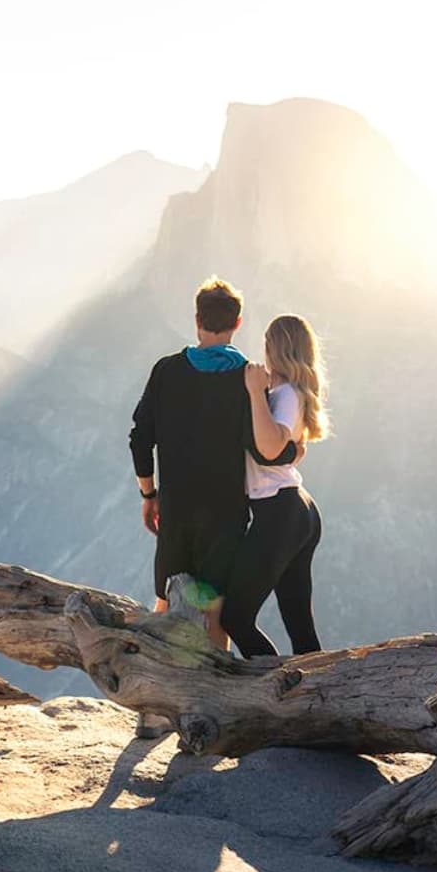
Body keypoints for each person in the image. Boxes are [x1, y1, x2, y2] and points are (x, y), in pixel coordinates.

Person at [128, 276, 298, 643]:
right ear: (238, 323)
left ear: (197, 319)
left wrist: (149, 495)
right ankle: (213, 695)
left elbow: (140, 438)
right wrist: (293, 450)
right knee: (214, 616)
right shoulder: (248, 379)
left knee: (165, 602)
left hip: (175, 512)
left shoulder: (167, 371)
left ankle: (148, 688)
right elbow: (260, 449)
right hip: (224, 518)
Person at [219, 315, 331, 657]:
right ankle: (317, 699)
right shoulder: (291, 393)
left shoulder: (285, 395)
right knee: (299, 623)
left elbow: (268, 448)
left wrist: (254, 392)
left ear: (276, 349)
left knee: (236, 618)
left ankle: (276, 691)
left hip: (279, 513)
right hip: (297, 509)